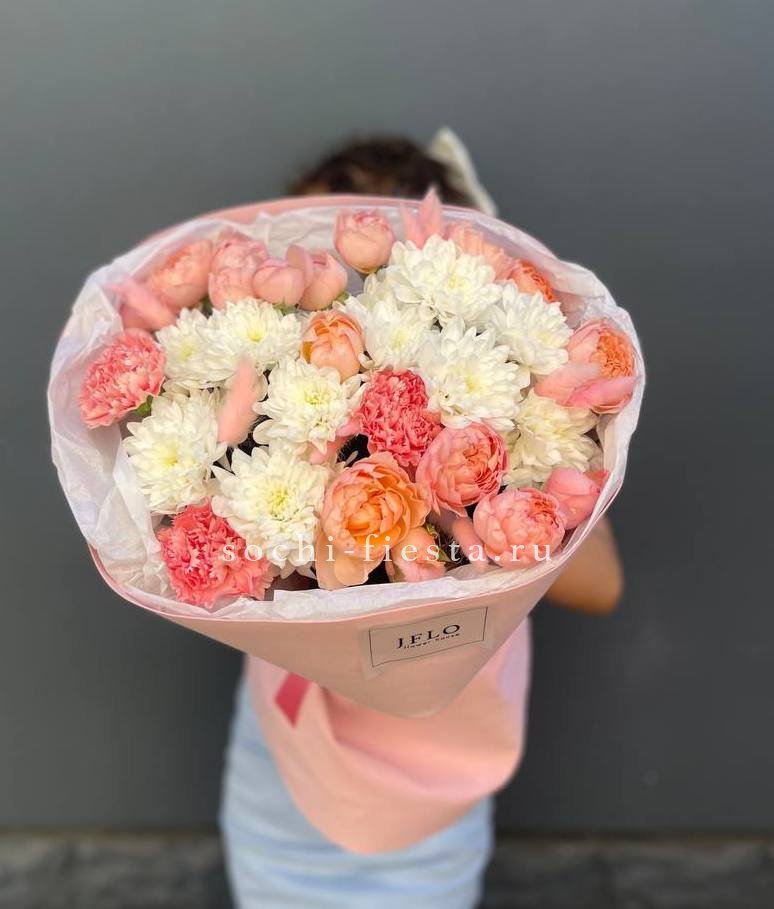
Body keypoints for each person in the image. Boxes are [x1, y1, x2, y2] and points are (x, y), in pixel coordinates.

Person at [220, 130, 624, 908]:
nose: (322, 289)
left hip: (433, 776)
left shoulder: (521, 429)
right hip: (284, 763)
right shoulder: (268, 406)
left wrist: (471, 484)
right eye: (303, 268)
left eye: (346, 272)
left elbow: (601, 583)